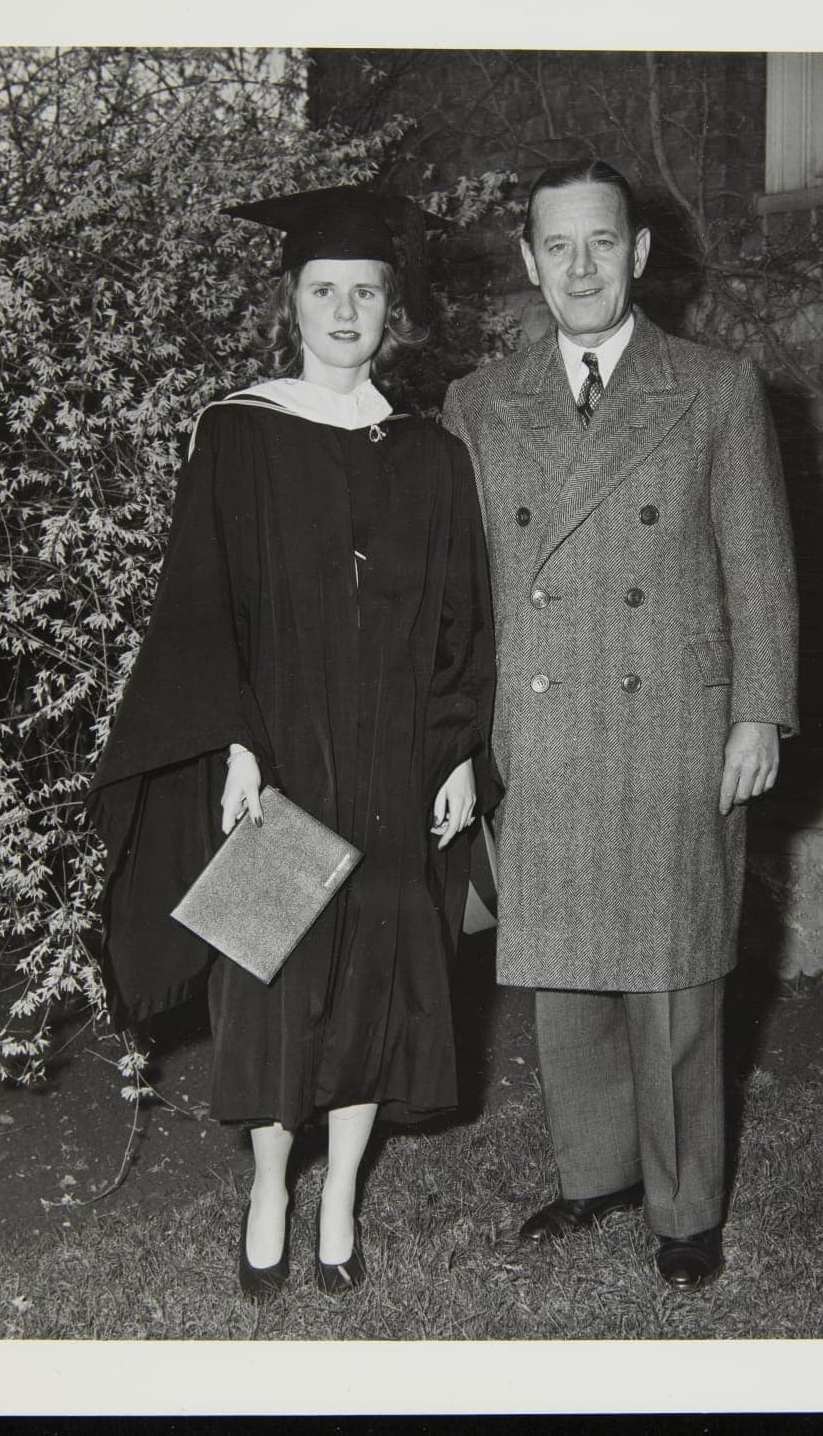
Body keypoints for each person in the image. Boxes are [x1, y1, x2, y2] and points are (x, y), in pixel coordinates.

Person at [88, 186, 497, 1300]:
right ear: (292, 302)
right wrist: (233, 744)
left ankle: (343, 1195)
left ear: (392, 309)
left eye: (367, 290)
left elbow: (465, 618)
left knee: (376, 973)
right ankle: (271, 1185)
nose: (346, 308)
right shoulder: (240, 432)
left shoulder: (430, 456)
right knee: (271, 977)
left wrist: (460, 750)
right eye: (325, 289)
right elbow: (200, 606)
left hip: (397, 760)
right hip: (281, 750)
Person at [443, 160, 798, 1291]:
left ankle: (686, 1203)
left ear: (640, 253)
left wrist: (761, 712)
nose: (582, 266)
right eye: (559, 247)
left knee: (674, 970)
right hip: (538, 724)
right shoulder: (480, 400)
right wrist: (457, 733)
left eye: (603, 242)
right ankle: (595, 1172)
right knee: (565, 974)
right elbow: (458, 589)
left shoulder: (717, 384)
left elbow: (760, 565)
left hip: (672, 723)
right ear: (529, 262)